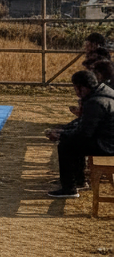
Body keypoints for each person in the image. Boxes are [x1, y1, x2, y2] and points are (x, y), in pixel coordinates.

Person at [44, 69, 114, 197]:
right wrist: (64, 130)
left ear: (81, 88)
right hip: (108, 139)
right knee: (74, 142)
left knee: (65, 145)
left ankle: (69, 188)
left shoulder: (94, 102)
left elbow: (84, 133)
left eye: (75, 88)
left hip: (107, 144)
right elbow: (85, 125)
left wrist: (61, 135)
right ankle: (79, 181)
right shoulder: (105, 92)